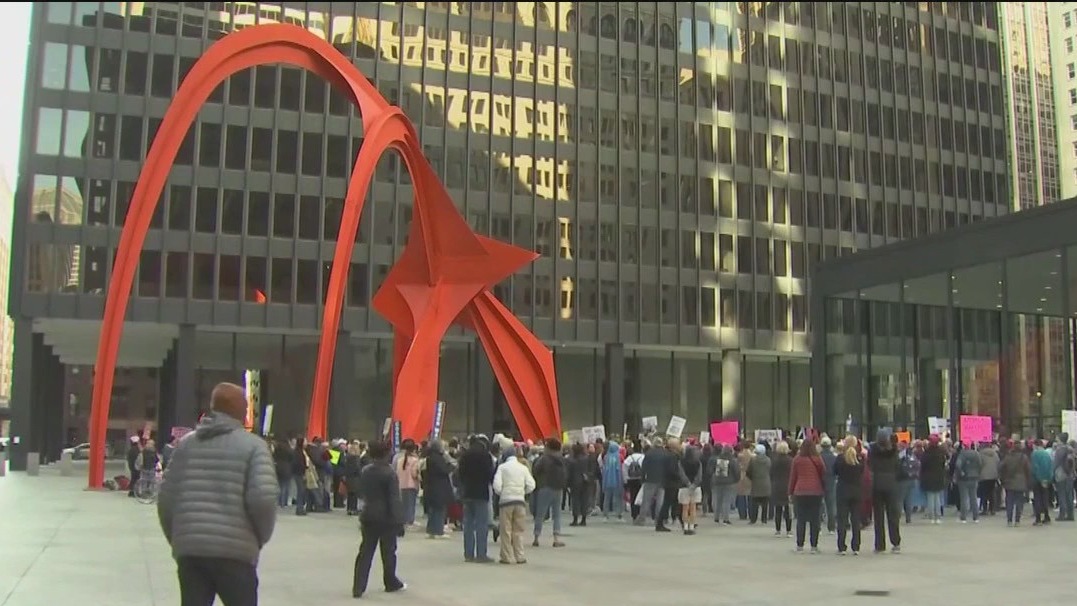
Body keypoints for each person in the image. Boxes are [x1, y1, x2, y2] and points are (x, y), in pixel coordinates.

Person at [157, 383, 278, 605]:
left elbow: (166, 498)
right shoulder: (254, 447)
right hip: (236, 552)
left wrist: (178, 538)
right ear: (239, 409)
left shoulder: (186, 445)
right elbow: (264, 499)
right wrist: (259, 538)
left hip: (191, 552)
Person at [352, 440, 406, 598]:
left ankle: (358, 586)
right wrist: (399, 521)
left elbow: (360, 491)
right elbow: (394, 499)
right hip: (386, 517)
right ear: (386, 453)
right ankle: (390, 581)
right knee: (388, 552)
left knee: (365, 552)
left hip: (368, 514)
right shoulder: (389, 473)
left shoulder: (365, 470)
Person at [492, 445, 536, 564]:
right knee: (518, 530)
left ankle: (506, 556)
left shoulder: (502, 468)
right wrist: (522, 492)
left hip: (506, 502)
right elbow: (532, 485)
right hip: (520, 501)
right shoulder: (523, 468)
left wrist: (503, 493)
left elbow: (496, 485)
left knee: (505, 530)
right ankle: (520, 556)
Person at [457, 436, 496, 563]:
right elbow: (490, 474)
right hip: (481, 493)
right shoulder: (486, 456)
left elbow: (460, 473)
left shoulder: (465, 455)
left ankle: (468, 554)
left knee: (468, 524)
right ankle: (481, 554)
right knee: (481, 524)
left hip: (467, 492)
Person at [788, 439, 826, 553]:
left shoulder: (797, 459)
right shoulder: (817, 459)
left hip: (800, 491)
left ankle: (800, 545)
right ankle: (814, 546)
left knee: (801, 519)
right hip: (815, 491)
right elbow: (823, 473)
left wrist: (790, 492)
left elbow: (793, 477)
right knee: (815, 520)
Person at [868, 430, 901, 553]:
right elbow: (898, 466)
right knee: (893, 516)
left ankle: (880, 544)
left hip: (877, 484)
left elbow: (870, 465)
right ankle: (895, 542)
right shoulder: (893, 451)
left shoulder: (873, 451)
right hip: (891, 484)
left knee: (878, 517)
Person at [531, 438, 567, 548]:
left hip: (545, 487)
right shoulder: (562, 459)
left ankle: (536, 537)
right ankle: (556, 538)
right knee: (557, 514)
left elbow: (535, 470)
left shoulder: (544, 458)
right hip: (558, 488)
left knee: (540, 513)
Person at [833, 435, 865, 555]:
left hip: (843, 490)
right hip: (856, 491)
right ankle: (856, 546)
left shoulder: (840, 458)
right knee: (855, 519)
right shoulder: (860, 458)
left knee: (842, 519)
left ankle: (842, 546)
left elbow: (834, 471)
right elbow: (862, 472)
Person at [421, 440, 455, 539]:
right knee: (440, 510)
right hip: (439, 486)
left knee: (433, 510)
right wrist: (451, 466)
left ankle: (431, 530)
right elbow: (444, 470)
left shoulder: (430, 457)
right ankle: (438, 531)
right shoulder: (438, 458)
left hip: (432, 486)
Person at [998, 441, 1031, 526]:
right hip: (1021, 482)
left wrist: (1003, 478)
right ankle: (1017, 520)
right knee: (1019, 502)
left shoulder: (1008, 457)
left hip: (1009, 482)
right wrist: (1028, 481)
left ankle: (1009, 520)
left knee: (1009, 502)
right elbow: (1028, 470)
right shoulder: (1024, 457)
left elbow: (1000, 467)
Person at [919, 435, 947, 524]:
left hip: (928, 477)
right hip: (939, 477)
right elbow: (943, 464)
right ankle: (938, 516)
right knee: (937, 497)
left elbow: (922, 465)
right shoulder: (941, 453)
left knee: (930, 497)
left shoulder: (927, 453)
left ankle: (931, 516)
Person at [710, 445, 740, 525]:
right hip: (729, 482)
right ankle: (725, 519)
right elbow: (736, 472)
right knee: (726, 500)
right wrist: (736, 480)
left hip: (717, 481)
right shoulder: (732, 460)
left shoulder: (717, 459)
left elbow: (711, 470)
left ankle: (716, 517)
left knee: (718, 500)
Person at [677, 444, 703, 535]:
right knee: (693, 508)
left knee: (685, 508)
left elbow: (681, 474)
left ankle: (685, 527)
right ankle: (691, 527)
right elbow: (699, 475)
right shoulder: (698, 462)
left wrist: (688, 483)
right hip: (696, 488)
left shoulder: (681, 461)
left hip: (684, 487)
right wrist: (694, 484)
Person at [394, 440, 421, 527]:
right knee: (411, 504)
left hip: (401, 484)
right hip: (411, 484)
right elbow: (414, 473)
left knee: (404, 504)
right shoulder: (415, 460)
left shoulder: (400, 460)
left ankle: (403, 520)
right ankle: (410, 521)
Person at [955, 442, 983, 523]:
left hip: (964, 479)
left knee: (964, 498)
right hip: (974, 477)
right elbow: (980, 464)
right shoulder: (976, 454)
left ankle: (963, 517)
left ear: (963, 446)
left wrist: (961, 472)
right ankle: (976, 517)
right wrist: (977, 473)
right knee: (973, 497)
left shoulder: (962, 454)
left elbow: (958, 465)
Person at [770, 442, 793, 537]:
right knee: (788, 509)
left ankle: (778, 530)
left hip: (777, 486)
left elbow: (771, 473)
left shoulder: (774, 460)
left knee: (778, 509)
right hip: (788, 485)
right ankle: (788, 530)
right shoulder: (791, 460)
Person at [746, 444, 772, 524]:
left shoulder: (753, 460)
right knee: (765, 503)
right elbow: (770, 471)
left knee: (754, 503)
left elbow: (748, 471)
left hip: (756, 482)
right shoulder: (768, 460)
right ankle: (764, 519)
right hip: (766, 483)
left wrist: (752, 478)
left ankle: (753, 519)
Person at [1052, 434, 1076, 521]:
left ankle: (1062, 514)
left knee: (1061, 494)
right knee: (1069, 495)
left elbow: (1056, 463)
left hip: (1061, 474)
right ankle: (1070, 514)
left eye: (1057, 439)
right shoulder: (1070, 449)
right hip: (1069, 474)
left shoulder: (1059, 450)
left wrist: (1052, 473)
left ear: (1060, 440)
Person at [1030, 440, 1054, 525]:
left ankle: (1038, 518)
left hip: (1037, 480)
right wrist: (1048, 479)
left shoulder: (1035, 454)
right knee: (1045, 498)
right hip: (1046, 479)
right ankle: (1046, 516)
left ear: (1036, 445)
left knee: (1037, 498)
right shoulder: (1047, 454)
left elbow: (1034, 468)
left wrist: (1040, 478)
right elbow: (1050, 467)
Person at [600, 441, 624, 520]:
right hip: (616, 480)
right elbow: (619, 470)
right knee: (617, 498)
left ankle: (605, 514)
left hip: (607, 480)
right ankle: (618, 514)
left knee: (607, 498)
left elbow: (604, 470)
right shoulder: (618, 456)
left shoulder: (606, 457)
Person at [622, 442, 645, 520]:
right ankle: (639, 512)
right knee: (640, 497)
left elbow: (624, 468)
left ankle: (634, 514)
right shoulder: (643, 457)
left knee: (633, 496)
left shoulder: (629, 458)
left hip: (631, 479)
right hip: (640, 479)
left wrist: (625, 479)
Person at [819, 437, 837, 534]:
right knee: (830, 506)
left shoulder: (818, 457)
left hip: (820, 482)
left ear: (821, 446)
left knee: (819, 506)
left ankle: (818, 527)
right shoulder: (834, 457)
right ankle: (831, 528)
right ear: (830, 446)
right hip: (831, 482)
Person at [343, 442, 364, 515]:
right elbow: (357, 468)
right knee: (354, 494)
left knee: (350, 494)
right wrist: (361, 474)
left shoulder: (348, 457)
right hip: (355, 478)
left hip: (349, 477)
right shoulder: (356, 458)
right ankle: (354, 509)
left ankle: (349, 509)